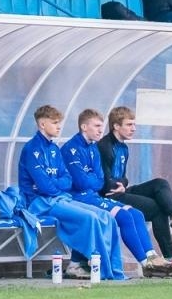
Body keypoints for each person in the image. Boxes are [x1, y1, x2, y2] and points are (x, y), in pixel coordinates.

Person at [61, 109, 172, 276]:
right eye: (97, 126)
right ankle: (146, 264)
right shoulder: (73, 148)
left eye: (101, 126)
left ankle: (151, 256)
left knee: (136, 214)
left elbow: (100, 179)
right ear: (84, 127)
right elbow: (83, 182)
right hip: (79, 198)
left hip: (92, 195)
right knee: (124, 216)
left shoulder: (93, 148)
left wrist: (95, 180)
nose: (100, 129)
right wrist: (94, 180)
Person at [18, 105, 124, 280]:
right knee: (89, 217)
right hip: (40, 203)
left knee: (107, 217)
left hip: (60, 198)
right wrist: (55, 184)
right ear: (42, 124)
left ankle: (113, 269)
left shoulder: (54, 149)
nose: (59, 126)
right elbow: (43, 187)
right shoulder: (32, 149)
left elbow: (67, 181)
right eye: (55, 123)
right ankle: (92, 267)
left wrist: (55, 184)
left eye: (60, 123)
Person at [97, 106, 172, 274]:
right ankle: (170, 259)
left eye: (134, 124)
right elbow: (104, 182)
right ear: (116, 126)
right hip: (108, 196)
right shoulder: (104, 146)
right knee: (156, 209)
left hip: (121, 191)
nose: (134, 129)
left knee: (160, 183)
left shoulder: (123, 147)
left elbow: (123, 177)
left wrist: (122, 183)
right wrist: (118, 184)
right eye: (129, 124)